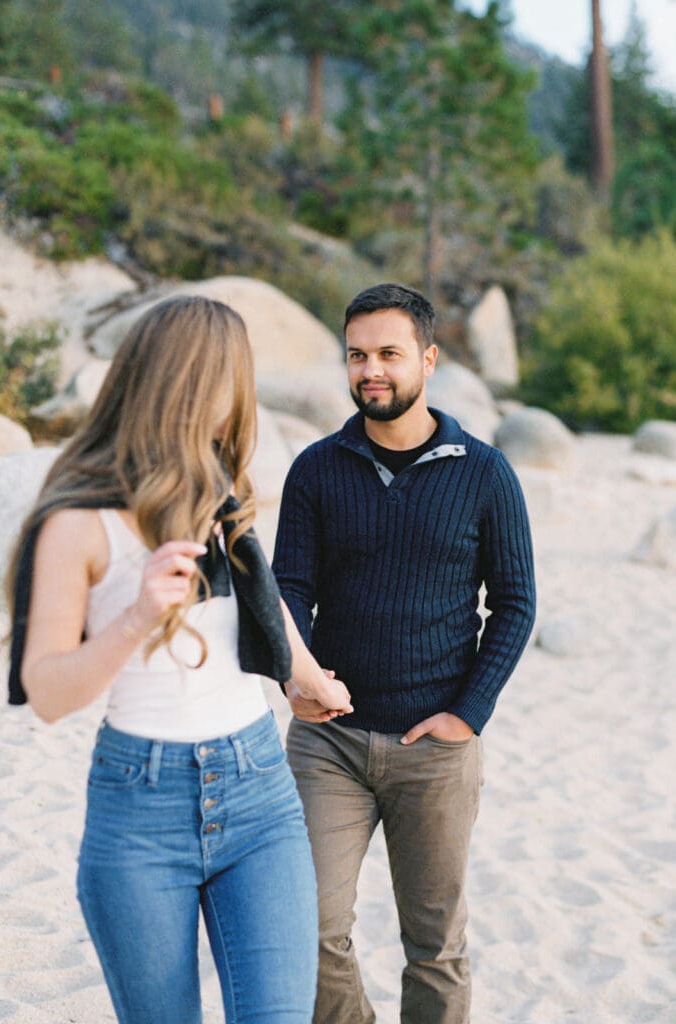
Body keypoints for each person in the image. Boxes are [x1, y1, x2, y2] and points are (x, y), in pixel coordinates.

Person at [5, 295, 352, 1024]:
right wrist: (137, 615)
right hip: (139, 808)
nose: (239, 401)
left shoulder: (218, 493)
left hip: (258, 789)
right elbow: (47, 692)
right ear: (191, 385)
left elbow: (259, 600)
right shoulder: (78, 522)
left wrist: (306, 675)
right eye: (232, 380)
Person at [272, 283, 537, 1024]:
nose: (371, 371)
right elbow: (287, 586)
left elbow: (514, 604)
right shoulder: (316, 470)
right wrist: (297, 671)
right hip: (328, 741)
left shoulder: (485, 474)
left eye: (388, 353)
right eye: (357, 356)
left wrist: (467, 714)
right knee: (310, 928)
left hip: (436, 749)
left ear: (427, 358)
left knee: (434, 946)